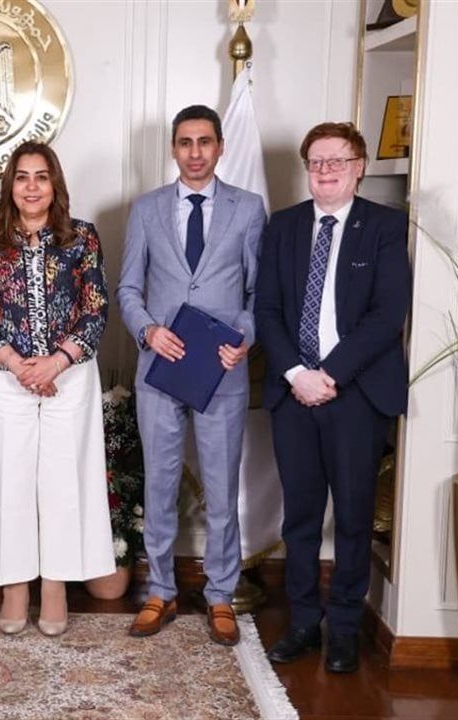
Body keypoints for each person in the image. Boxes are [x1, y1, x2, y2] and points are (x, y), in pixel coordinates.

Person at [256, 122, 411, 674]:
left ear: (359, 166)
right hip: (293, 393)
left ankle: (344, 628)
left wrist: (331, 375)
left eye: (337, 161)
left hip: (355, 395)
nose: (325, 171)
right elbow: (266, 310)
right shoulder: (284, 226)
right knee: (299, 517)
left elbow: (387, 315)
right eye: (316, 162)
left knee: (352, 516)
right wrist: (297, 373)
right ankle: (303, 621)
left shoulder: (385, 227)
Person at [117, 105, 266, 646]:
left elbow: (259, 291)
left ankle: (220, 595)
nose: (195, 152)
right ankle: (161, 590)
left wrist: (243, 338)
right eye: (185, 142)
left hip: (221, 370)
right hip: (160, 368)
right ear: (174, 149)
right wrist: (148, 331)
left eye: (205, 141)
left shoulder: (248, 208)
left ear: (220, 147)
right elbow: (128, 288)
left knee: (222, 489)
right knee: (159, 484)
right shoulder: (147, 209)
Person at [0, 141, 113, 637]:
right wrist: (17, 365)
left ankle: (54, 585)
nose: (31, 187)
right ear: (10, 185)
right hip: (5, 378)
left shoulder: (82, 238)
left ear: (55, 185)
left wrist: (55, 363)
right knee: (9, 480)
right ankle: (14, 587)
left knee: (63, 481)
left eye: (41, 176)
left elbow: (95, 308)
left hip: (69, 375)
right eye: (23, 177)